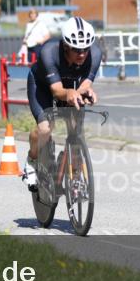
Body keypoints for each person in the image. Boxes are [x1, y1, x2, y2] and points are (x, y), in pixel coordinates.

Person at [22, 16, 101, 191]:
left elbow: (85, 84)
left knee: (76, 130)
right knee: (45, 128)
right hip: (43, 86)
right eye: (76, 49)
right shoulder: (48, 52)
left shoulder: (95, 54)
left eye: (85, 49)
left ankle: (75, 175)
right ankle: (31, 160)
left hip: (69, 87)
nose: (82, 54)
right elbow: (57, 91)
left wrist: (88, 91)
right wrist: (71, 93)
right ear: (65, 46)